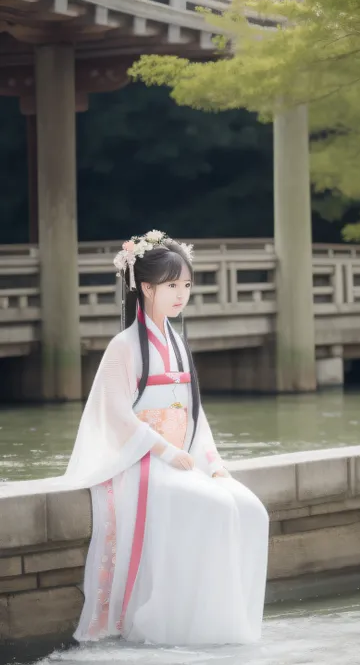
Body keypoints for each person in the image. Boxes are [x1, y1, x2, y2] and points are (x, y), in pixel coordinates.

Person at [68, 230, 269, 646]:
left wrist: (213, 463)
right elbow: (115, 414)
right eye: (172, 286)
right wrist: (163, 450)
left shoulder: (176, 342)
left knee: (252, 510)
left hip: (179, 458)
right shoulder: (123, 346)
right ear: (146, 288)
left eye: (187, 285)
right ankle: (178, 622)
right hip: (142, 462)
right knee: (214, 507)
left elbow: (194, 413)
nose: (182, 295)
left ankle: (228, 623)